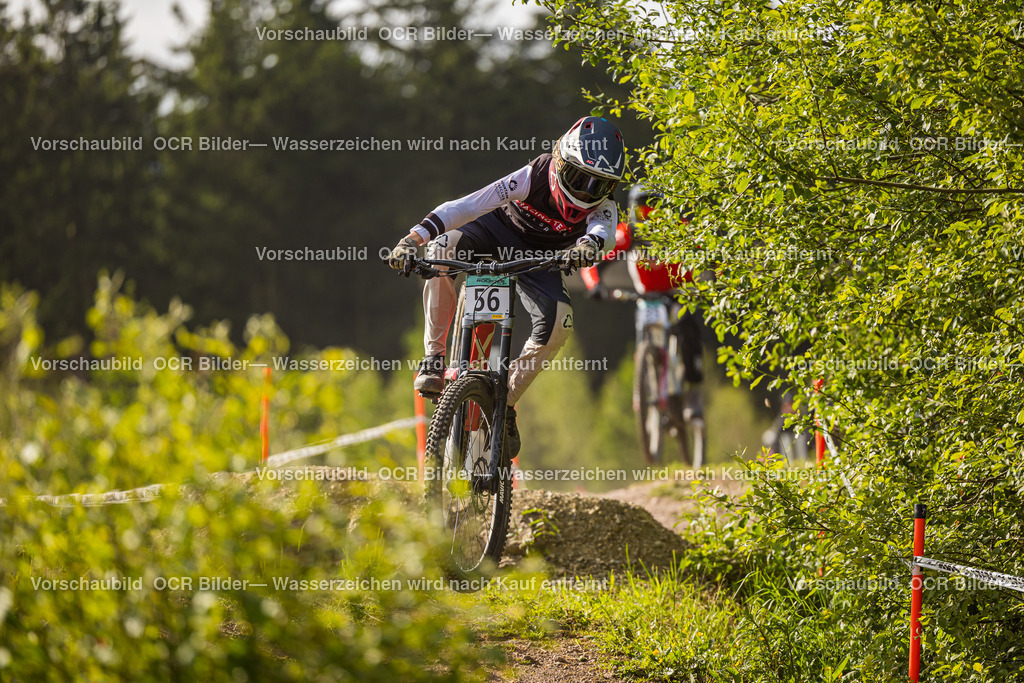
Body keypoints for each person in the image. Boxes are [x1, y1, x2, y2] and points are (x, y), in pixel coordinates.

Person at [387, 116, 626, 457]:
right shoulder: (534, 175)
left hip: (541, 258)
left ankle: (505, 401)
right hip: (493, 231)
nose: (585, 193)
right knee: (440, 250)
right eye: (578, 179)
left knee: (561, 322)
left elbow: (601, 234)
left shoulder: (605, 208)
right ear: (560, 162)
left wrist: (586, 247)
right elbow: (468, 205)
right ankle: (434, 358)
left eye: (598, 185)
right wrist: (413, 239)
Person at [581, 185, 704, 417]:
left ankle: (693, 388)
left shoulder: (680, 230)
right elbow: (595, 261)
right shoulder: (627, 233)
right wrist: (595, 285)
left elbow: (708, 253)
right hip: (646, 296)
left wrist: (711, 281)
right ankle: (648, 372)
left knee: (687, 325)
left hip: (678, 292)